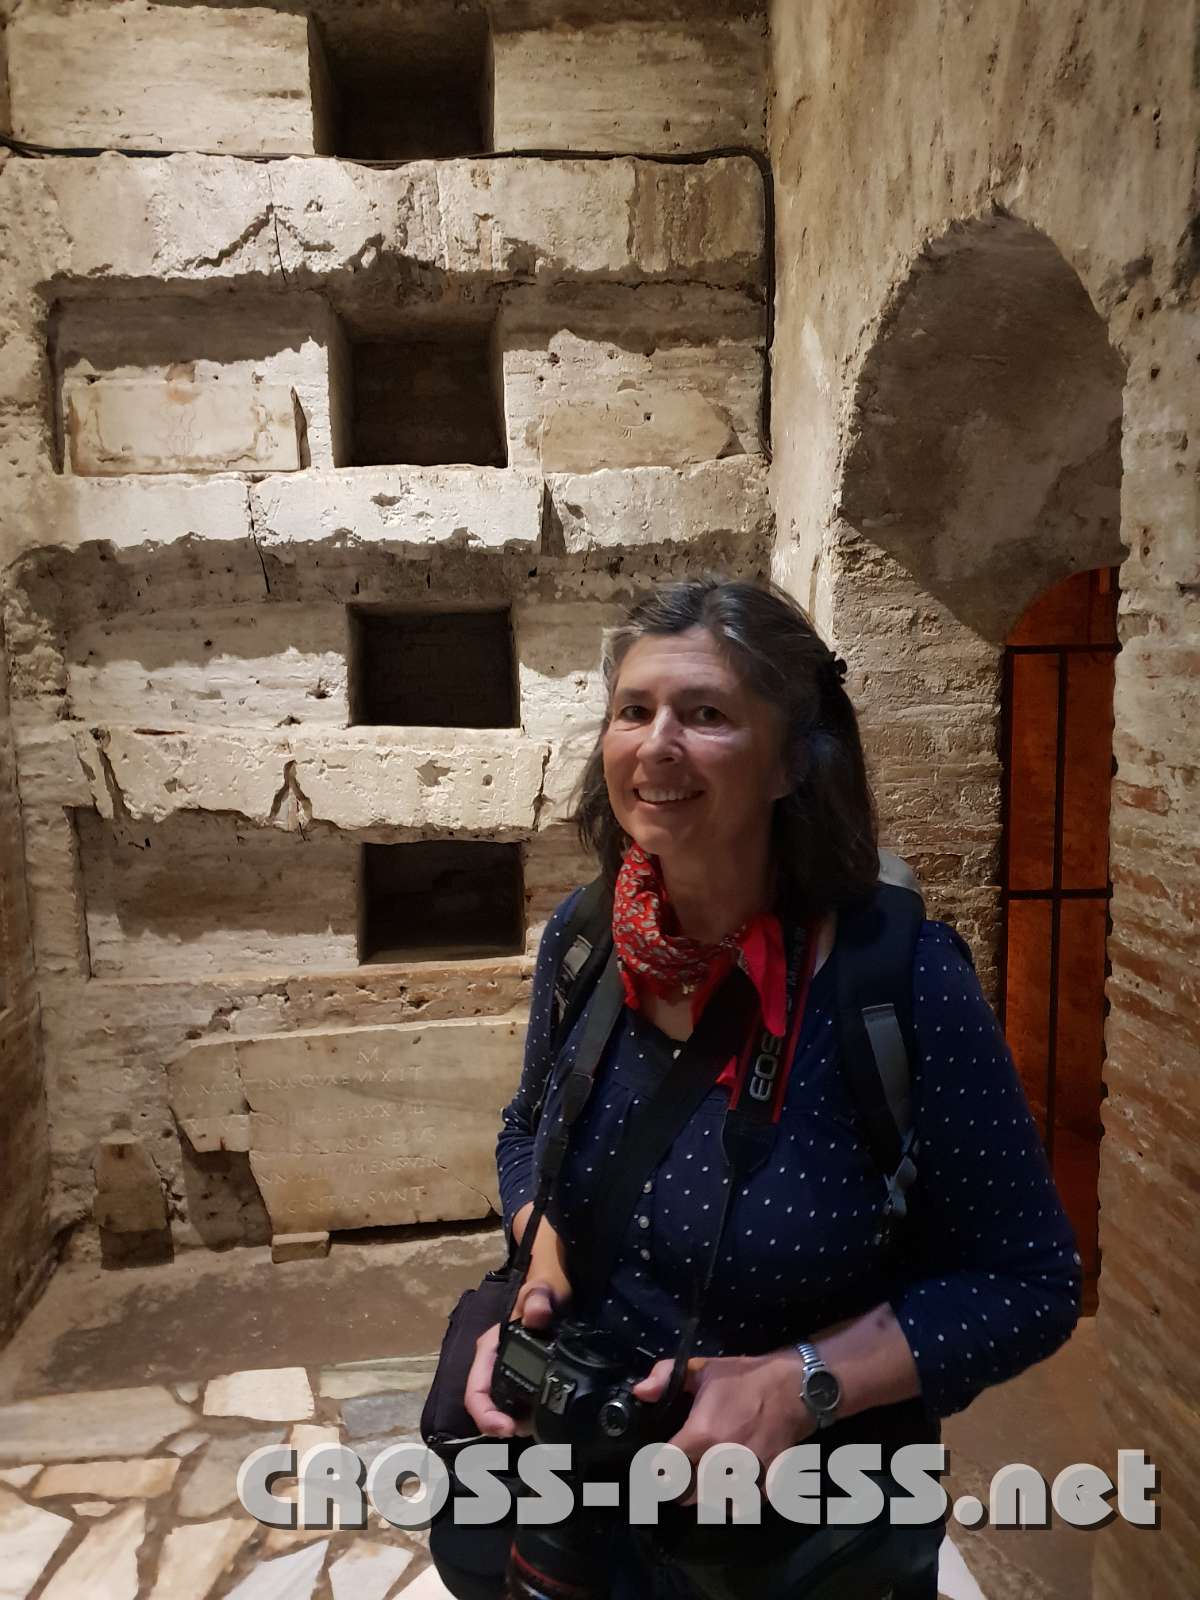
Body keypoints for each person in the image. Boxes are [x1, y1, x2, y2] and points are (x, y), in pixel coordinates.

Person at [432, 578, 1081, 1598]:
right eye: (634, 710)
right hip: (587, 1493)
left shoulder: (897, 979)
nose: (656, 744)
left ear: (791, 761)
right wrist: (540, 1268)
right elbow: (526, 1133)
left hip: (793, 1532)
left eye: (705, 713)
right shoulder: (587, 939)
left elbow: (1030, 1283)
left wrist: (800, 1384)